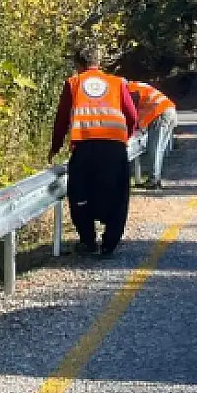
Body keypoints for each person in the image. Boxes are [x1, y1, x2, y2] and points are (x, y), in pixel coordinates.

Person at [49, 44, 138, 257]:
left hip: (85, 147)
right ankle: (110, 244)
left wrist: (55, 147)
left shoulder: (73, 83)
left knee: (80, 194)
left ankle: (88, 241)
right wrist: (124, 137)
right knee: (117, 196)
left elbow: (62, 119)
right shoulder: (117, 83)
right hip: (115, 148)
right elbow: (132, 115)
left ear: (78, 64)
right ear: (99, 62)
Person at [126, 78, 178, 189]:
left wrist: (131, 131)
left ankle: (153, 181)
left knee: (154, 149)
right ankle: (156, 180)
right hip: (169, 111)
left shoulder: (130, 90)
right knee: (159, 150)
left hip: (160, 114)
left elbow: (132, 113)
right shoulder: (137, 86)